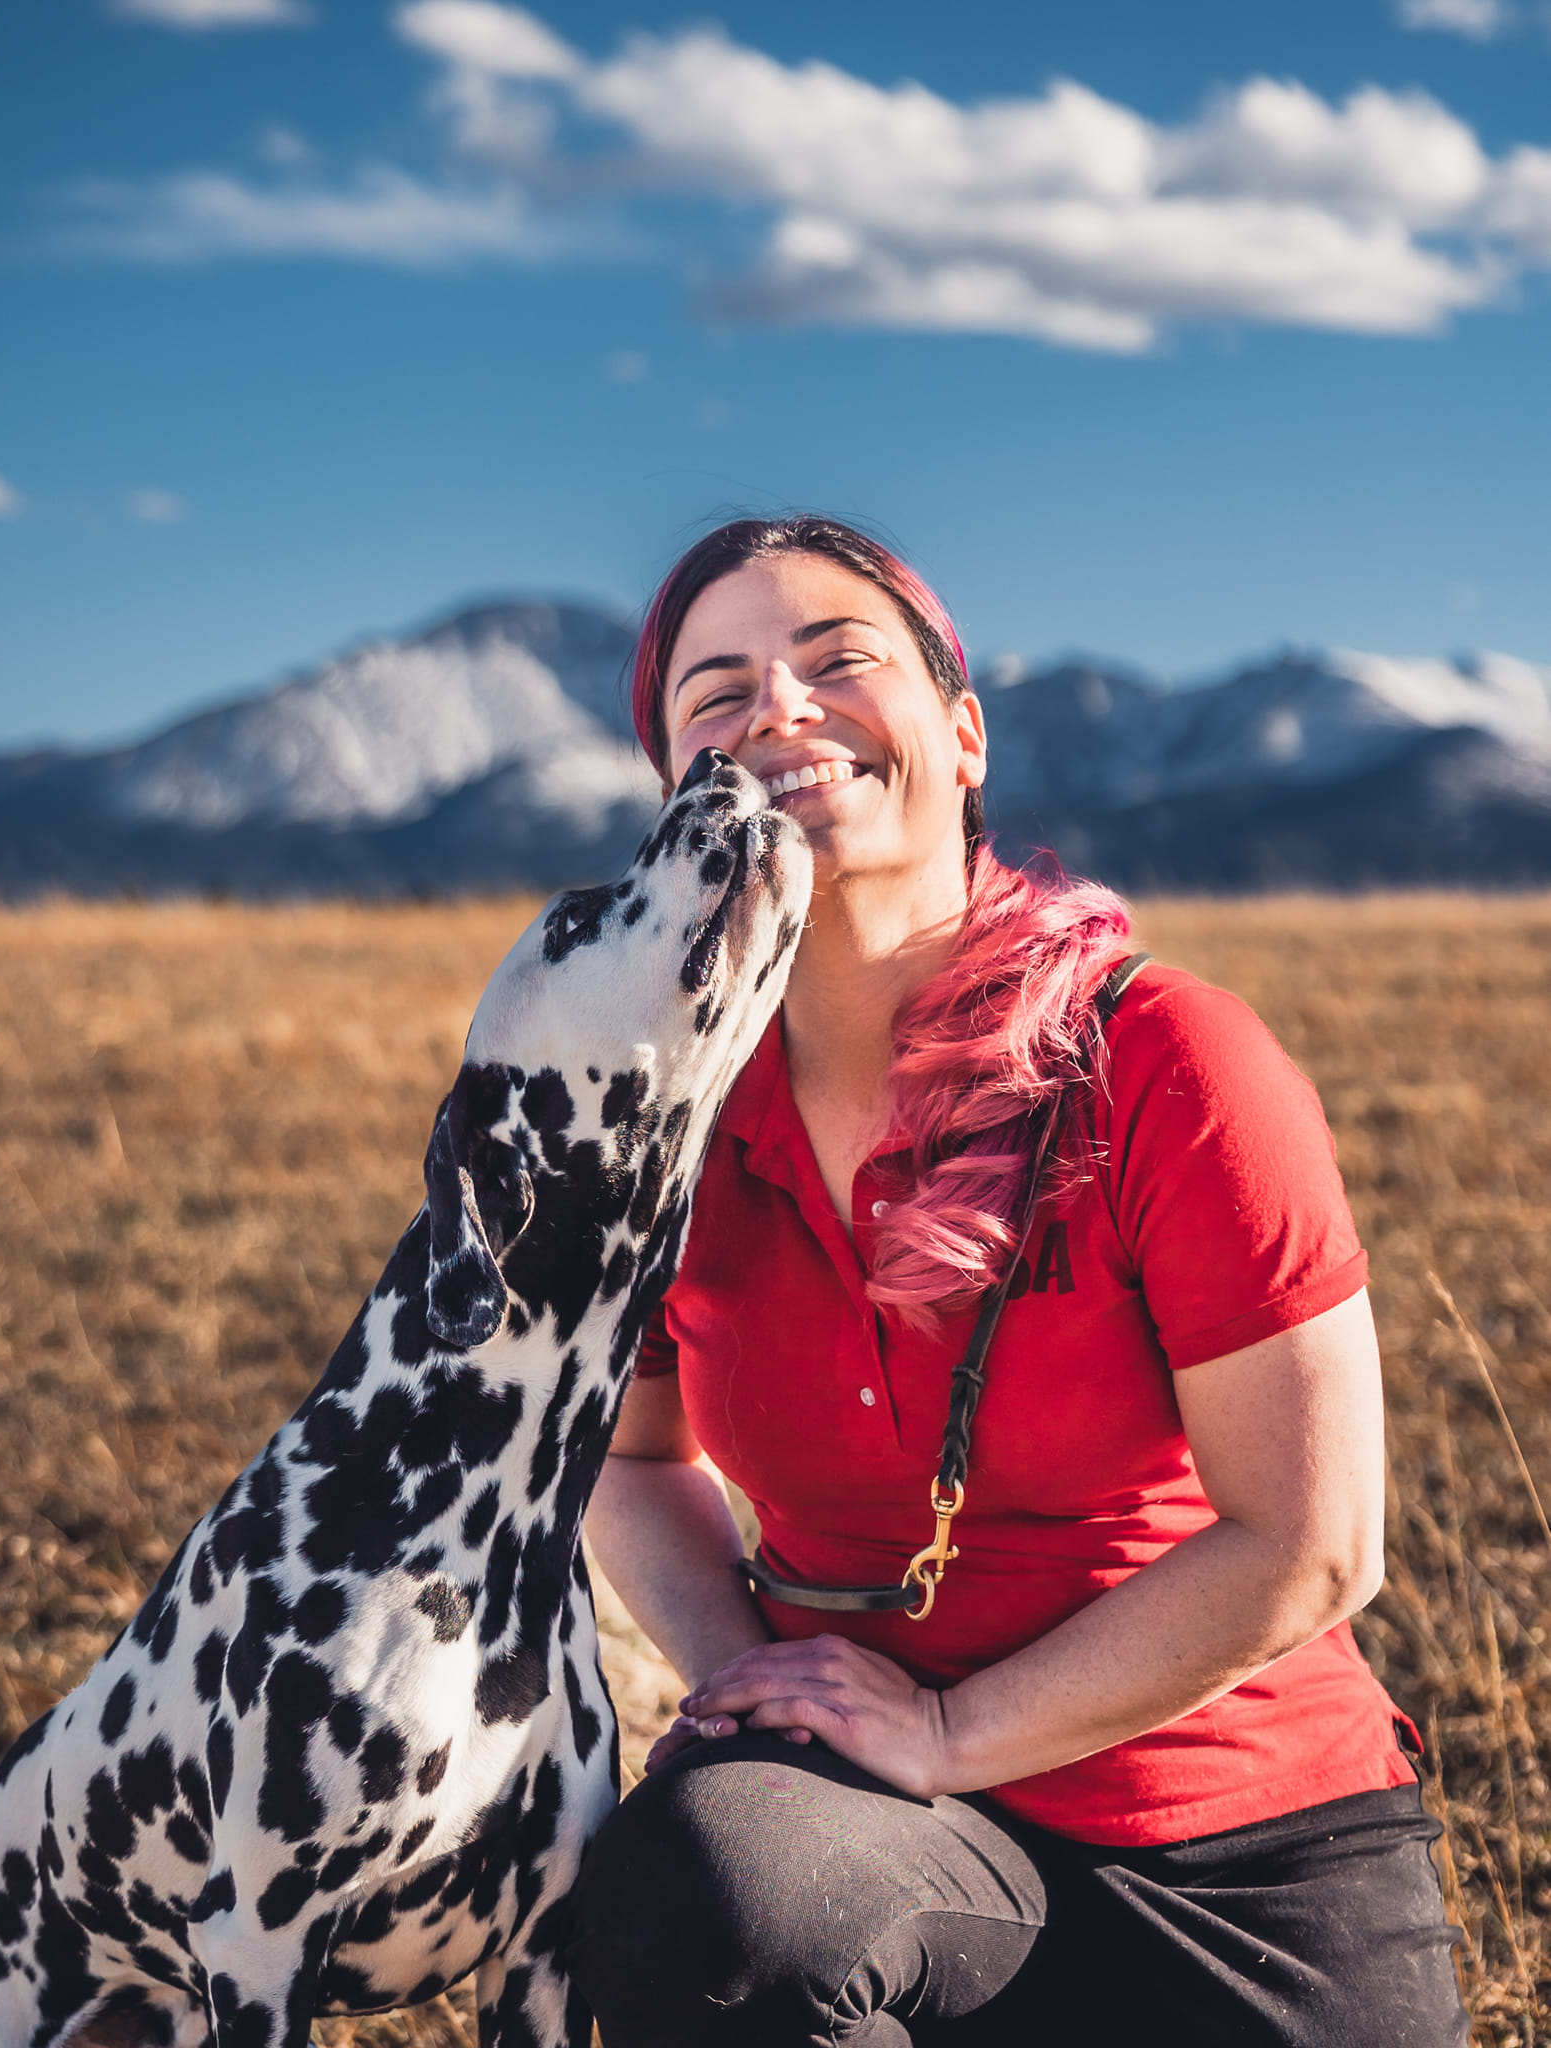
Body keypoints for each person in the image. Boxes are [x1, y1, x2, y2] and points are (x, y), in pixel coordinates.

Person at [567, 515, 1467, 2047]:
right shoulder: (661, 1112)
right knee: (696, 1896)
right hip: (873, 1831)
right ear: (679, 796)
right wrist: (749, 1680)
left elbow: (1315, 1543)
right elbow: (635, 1458)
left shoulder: (1169, 1059)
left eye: (838, 661)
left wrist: (949, 1727)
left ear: (965, 737)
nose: (778, 710)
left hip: (1234, 1837)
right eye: (716, 695)